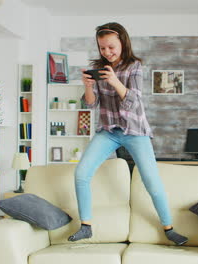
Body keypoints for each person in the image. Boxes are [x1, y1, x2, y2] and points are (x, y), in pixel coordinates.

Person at [68, 22, 188, 246]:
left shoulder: (134, 67)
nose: (107, 52)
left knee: (152, 181)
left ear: (122, 42)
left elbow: (134, 102)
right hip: (108, 131)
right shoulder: (98, 68)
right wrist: (87, 86)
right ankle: (86, 226)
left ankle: (169, 228)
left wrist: (114, 81)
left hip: (135, 131)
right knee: (81, 173)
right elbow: (91, 105)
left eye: (111, 47)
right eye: (102, 48)